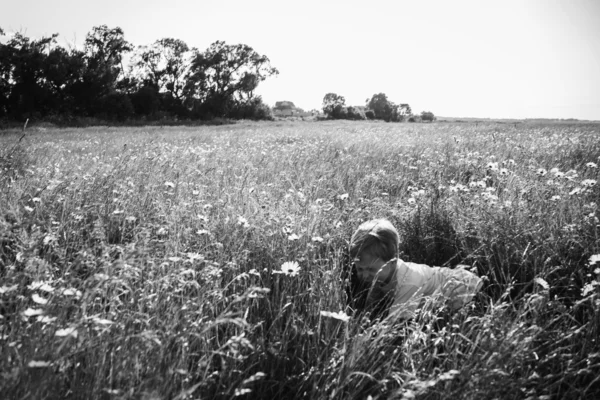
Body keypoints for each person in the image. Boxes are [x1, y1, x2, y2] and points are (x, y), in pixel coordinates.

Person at [347, 219, 483, 322]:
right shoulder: (382, 271)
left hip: (459, 287)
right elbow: (372, 300)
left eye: (370, 269)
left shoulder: (408, 283)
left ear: (392, 261)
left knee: (452, 318)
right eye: (359, 268)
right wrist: (364, 313)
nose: (364, 275)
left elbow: (397, 322)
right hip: (438, 279)